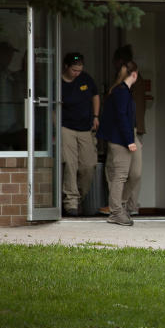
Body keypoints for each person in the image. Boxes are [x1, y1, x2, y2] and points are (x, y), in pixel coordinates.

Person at [97, 61, 142, 226]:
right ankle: (116, 211)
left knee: (136, 173)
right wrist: (129, 140)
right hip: (121, 138)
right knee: (121, 175)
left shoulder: (123, 91)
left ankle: (119, 205)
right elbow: (122, 117)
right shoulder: (121, 92)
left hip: (128, 135)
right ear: (135, 74)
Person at [60, 52, 100, 216]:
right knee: (70, 165)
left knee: (88, 166)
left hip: (86, 129)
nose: (77, 73)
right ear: (66, 67)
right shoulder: (58, 82)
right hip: (67, 128)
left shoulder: (86, 79)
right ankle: (71, 203)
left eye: (80, 70)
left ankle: (79, 199)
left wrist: (96, 116)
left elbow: (95, 95)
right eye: (74, 70)